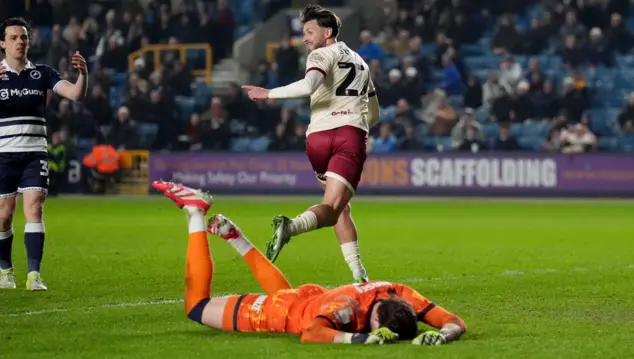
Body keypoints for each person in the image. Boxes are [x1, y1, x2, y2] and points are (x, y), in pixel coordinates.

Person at [152, 180, 467, 345]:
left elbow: (456, 322)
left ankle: (237, 238)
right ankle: (196, 214)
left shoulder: (399, 291)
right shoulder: (346, 309)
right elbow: (313, 334)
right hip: (281, 314)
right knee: (196, 306)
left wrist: (441, 334)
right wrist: (360, 338)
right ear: (374, 319)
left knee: (286, 296)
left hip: (307, 297)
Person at [241, 5, 381, 284]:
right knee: (331, 209)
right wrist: (270, 94)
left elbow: (310, 87)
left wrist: (269, 93)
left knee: (341, 209)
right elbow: (374, 114)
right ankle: (290, 227)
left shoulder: (320, 55)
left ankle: (359, 274)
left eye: (308, 31)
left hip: (317, 139)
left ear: (327, 32)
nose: (304, 38)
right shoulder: (361, 64)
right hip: (347, 136)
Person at [0, 17, 88, 291]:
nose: (20, 42)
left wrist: (83, 75)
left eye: (24, 37)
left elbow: (75, 94)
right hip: (3, 154)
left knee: (35, 207)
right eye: (14, 37)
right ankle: (5, 270)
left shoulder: (42, 73)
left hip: (34, 153)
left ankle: (34, 275)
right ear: (2, 43)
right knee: (4, 215)